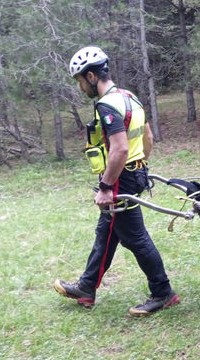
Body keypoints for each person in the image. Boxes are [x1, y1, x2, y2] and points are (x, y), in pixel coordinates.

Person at [53, 46, 180, 316]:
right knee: (107, 233)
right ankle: (86, 287)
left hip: (121, 178)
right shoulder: (129, 97)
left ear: (90, 76)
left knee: (135, 238)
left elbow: (119, 149)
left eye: (79, 81)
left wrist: (107, 186)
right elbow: (148, 138)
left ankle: (163, 292)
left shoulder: (107, 104)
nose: (80, 87)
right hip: (133, 172)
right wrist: (140, 167)